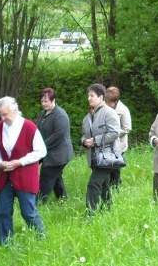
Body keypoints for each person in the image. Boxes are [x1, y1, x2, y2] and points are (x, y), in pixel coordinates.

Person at [0, 96, 47, 244]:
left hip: (25, 177)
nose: (2, 118)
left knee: (28, 212)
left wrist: (20, 162)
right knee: (3, 212)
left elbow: (41, 151)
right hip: (5, 177)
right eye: (0, 115)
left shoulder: (29, 127)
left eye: (5, 114)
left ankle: (42, 238)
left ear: (15, 110)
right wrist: (0, 163)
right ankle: (6, 243)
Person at [81, 83, 120, 215]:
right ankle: (108, 209)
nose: (89, 98)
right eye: (88, 96)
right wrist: (84, 141)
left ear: (101, 97)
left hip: (107, 156)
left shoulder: (109, 113)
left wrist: (95, 140)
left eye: (92, 96)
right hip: (93, 157)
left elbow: (114, 133)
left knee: (93, 184)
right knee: (104, 184)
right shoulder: (88, 116)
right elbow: (84, 134)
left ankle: (89, 214)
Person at [35, 88, 73, 204]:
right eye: (42, 101)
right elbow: (36, 129)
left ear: (53, 100)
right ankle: (63, 201)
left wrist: (41, 146)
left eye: (46, 101)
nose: (44, 104)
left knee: (46, 177)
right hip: (47, 152)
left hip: (59, 155)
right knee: (56, 178)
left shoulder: (60, 115)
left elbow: (58, 135)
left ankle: (38, 203)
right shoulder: (43, 114)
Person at [105, 86, 132, 190]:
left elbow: (127, 128)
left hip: (119, 145)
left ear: (115, 101)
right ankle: (106, 188)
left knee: (115, 169)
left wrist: (113, 133)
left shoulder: (123, 110)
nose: (106, 104)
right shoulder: (104, 108)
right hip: (106, 143)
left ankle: (116, 188)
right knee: (106, 167)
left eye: (109, 102)